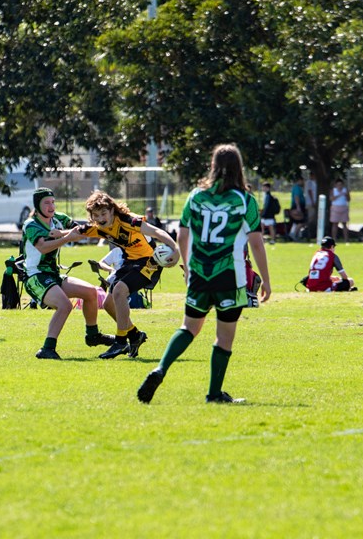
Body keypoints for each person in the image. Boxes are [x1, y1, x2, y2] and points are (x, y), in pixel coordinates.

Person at [137, 143, 271, 405]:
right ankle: (214, 394)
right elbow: (256, 243)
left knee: (189, 327)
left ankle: (160, 369)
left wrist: (188, 268)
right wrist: (265, 279)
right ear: (239, 168)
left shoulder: (196, 196)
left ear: (212, 165)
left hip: (199, 273)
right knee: (224, 336)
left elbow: (182, 234)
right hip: (230, 276)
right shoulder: (244, 200)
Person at [79, 191, 179, 360]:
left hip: (148, 261)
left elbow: (156, 231)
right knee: (108, 303)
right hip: (129, 262)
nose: (100, 218)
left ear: (112, 210)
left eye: (103, 213)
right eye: (96, 215)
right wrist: (58, 234)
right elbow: (76, 232)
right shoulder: (102, 226)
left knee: (119, 291)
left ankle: (120, 342)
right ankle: (134, 335)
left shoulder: (129, 220)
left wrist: (175, 249)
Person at [21, 187, 113, 360]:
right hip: (35, 276)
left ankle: (93, 335)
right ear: (37, 205)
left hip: (53, 275)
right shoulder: (31, 224)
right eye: (46, 203)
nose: (51, 206)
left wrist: (101, 222)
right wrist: (67, 238)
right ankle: (47, 349)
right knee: (65, 305)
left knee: (91, 292)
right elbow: (43, 247)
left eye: (53, 202)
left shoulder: (59, 219)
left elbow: (80, 230)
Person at [330, 179, 351, 244]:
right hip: (335, 208)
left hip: (344, 207)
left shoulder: (345, 190)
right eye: (338, 185)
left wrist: (346, 195)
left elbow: (348, 199)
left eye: (341, 185)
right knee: (335, 224)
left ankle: (346, 239)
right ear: (336, 185)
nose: (340, 186)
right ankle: (334, 239)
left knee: (344, 224)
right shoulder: (333, 190)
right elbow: (331, 198)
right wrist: (339, 195)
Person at [289, 176, 306, 241]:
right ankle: (294, 235)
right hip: (297, 207)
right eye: (302, 181)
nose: (303, 182)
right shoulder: (297, 188)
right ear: (299, 180)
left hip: (298, 206)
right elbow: (296, 197)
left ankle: (295, 234)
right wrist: (298, 207)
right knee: (301, 221)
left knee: (298, 222)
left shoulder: (298, 188)